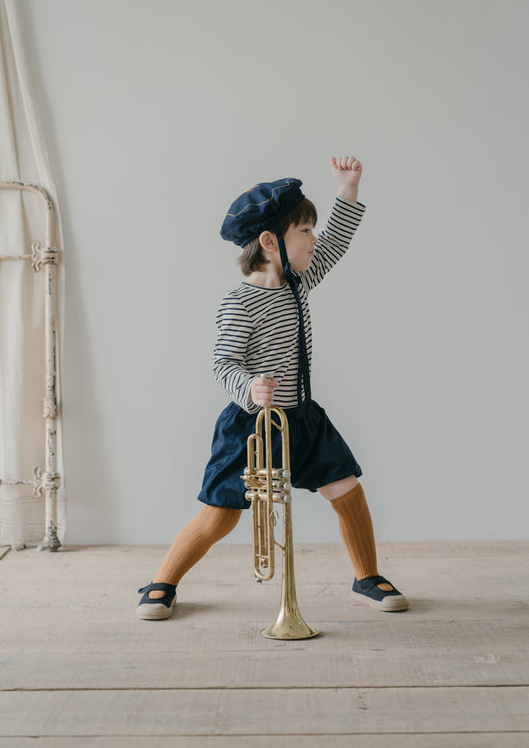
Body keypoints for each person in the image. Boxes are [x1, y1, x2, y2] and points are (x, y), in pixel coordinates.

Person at [137, 157, 408, 620]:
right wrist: (249, 387)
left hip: (301, 418)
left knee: (348, 491)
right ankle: (162, 582)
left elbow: (336, 243)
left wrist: (348, 190)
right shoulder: (240, 302)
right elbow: (223, 362)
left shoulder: (300, 282)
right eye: (305, 231)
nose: (313, 239)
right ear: (269, 242)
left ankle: (366, 577)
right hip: (253, 425)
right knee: (220, 515)